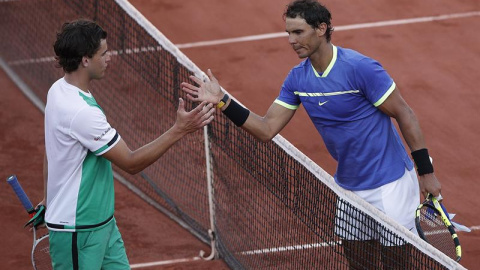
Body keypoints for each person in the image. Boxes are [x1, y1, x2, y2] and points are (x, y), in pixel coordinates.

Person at [181, 0, 441, 268]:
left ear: (322, 28)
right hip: (349, 187)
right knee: (359, 263)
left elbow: (404, 114)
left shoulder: (360, 68)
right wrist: (224, 100)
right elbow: (266, 129)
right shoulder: (297, 79)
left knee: (395, 265)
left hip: (391, 183)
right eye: (288, 33)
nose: (292, 40)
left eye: (298, 32)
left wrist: (426, 172)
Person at [39, 19, 215, 269]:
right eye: (104, 53)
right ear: (85, 60)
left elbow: (51, 151)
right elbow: (131, 163)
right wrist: (180, 129)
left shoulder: (58, 90)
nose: (109, 57)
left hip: (103, 225)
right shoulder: (80, 112)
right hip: (78, 231)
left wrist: (48, 198)